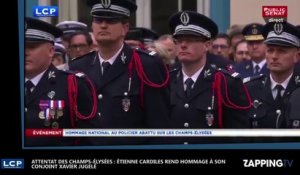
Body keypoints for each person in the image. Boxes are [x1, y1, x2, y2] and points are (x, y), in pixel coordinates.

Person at [69, 0, 170, 145]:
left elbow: (160, 125)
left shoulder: (146, 64)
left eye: (111, 20)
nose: (103, 25)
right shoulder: (79, 66)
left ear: (125, 28)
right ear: (92, 26)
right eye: (98, 20)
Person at [167, 11, 252, 144]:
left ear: (207, 45)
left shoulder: (226, 82)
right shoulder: (167, 80)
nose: (183, 45)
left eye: (190, 39)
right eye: (179, 40)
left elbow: (238, 135)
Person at [24, 17, 97, 147]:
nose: (25, 52)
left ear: (51, 51)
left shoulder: (72, 84)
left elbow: (89, 138)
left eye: (31, 47)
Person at [244, 22, 300, 131]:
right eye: (270, 50)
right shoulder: (249, 89)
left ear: (296, 56)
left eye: (282, 51)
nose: (274, 57)